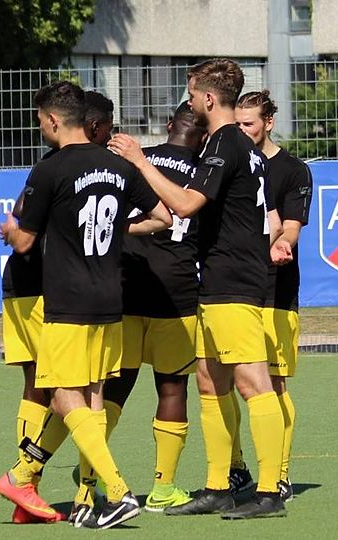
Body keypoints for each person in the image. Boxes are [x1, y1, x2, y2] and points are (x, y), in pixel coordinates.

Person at [109, 57, 290, 519]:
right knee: (210, 380)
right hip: (217, 278)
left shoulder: (226, 141)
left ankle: (270, 491)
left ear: (209, 97)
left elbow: (186, 205)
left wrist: (139, 161)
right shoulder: (235, 145)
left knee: (253, 383)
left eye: (191, 93)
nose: (189, 101)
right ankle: (217, 486)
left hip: (233, 281)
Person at [0, 80, 172, 530]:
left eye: (41, 121)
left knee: (60, 394)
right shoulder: (117, 166)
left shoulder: (50, 169)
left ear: (55, 120)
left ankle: (117, 492)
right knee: (90, 399)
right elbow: (162, 217)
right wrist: (117, 231)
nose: (41, 128)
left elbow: (25, 240)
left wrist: (12, 233)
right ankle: (61, 490)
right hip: (110, 298)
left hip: (68, 301)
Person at [0, 90, 117, 526]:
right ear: (92, 126)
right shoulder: (57, 166)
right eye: (108, 129)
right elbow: (23, 217)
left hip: (62, 291)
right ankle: (27, 484)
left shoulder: (96, 167)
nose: (112, 137)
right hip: (37, 287)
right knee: (52, 388)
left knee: (77, 390)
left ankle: (60, 489)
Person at [99, 101, 206, 513]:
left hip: (126, 286)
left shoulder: (135, 160)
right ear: (204, 135)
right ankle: (163, 487)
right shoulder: (204, 171)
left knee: (115, 384)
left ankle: (96, 471)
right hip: (175, 292)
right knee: (172, 386)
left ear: (168, 124)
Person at [236, 90, 313, 502]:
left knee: (273, 383)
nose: (241, 130)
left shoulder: (293, 170)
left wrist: (281, 242)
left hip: (274, 292)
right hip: (232, 289)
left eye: (248, 123)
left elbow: (291, 227)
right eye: (237, 123)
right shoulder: (230, 162)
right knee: (228, 383)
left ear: (268, 122)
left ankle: (279, 474)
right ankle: (235, 470)